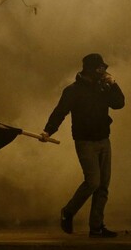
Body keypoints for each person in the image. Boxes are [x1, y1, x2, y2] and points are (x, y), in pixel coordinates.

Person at [40, 53, 125, 238]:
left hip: (104, 139)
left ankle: (96, 227)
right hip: (85, 141)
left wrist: (113, 83)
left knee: (103, 185)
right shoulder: (73, 91)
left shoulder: (103, 88)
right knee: (93, 181)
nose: (103, 72)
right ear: (90, 69)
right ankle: (68, 211)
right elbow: (59, 112)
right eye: (100, 69)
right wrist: (48, 130)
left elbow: (119, 104)